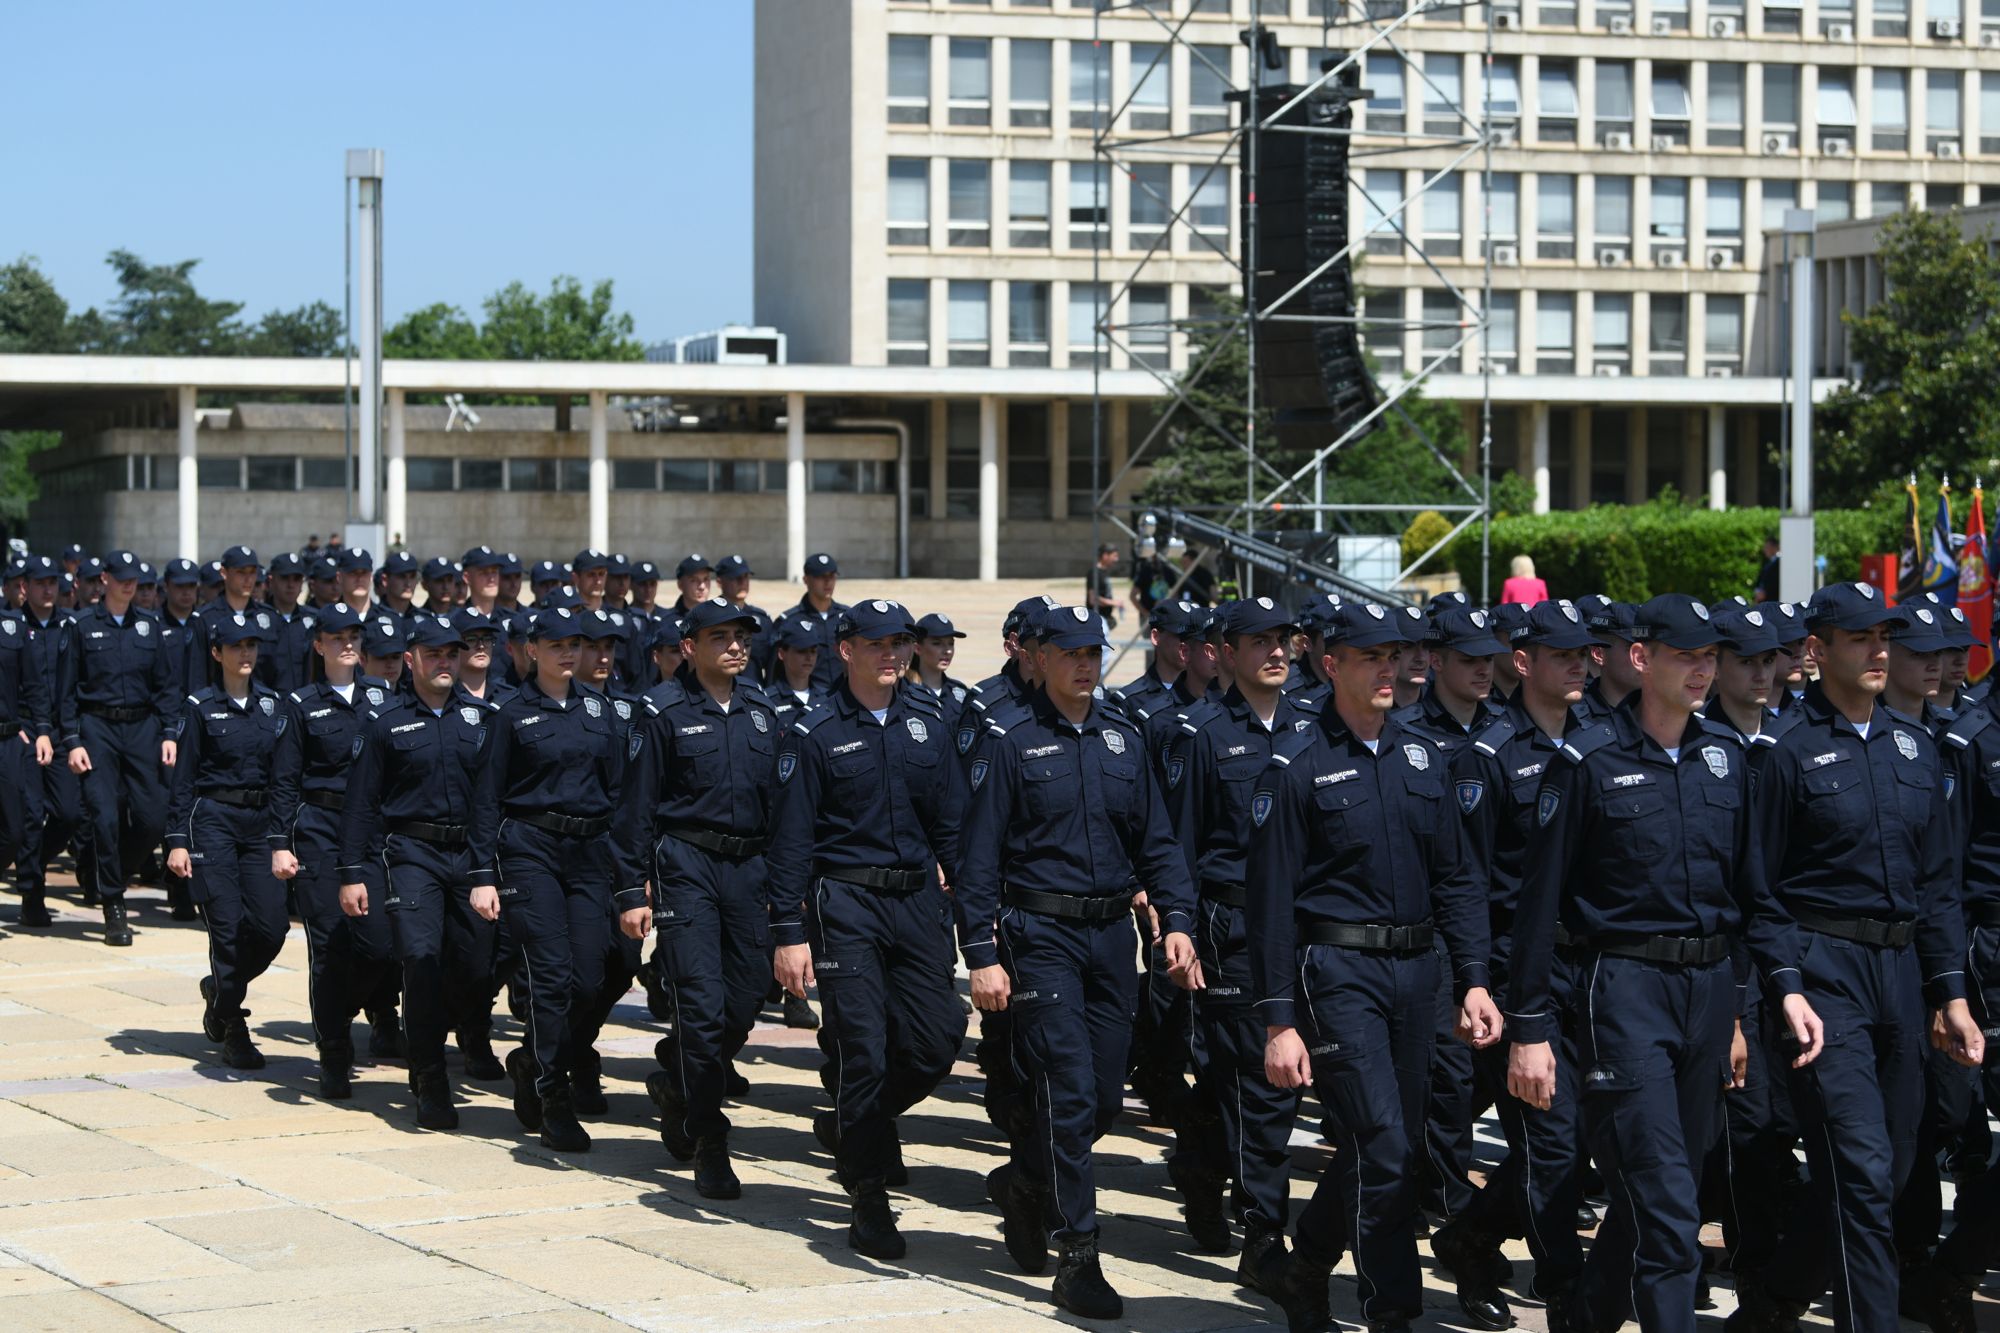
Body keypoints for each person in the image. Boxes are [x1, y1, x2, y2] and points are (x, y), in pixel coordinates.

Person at [1506, 595, 1817, 1333]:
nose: (1703, 669)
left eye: (1711, 656)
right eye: (1686, 655)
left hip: (1707, 992)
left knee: (1656, 1192)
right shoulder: (1585, 762)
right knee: (1671, 1205)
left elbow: (1754, 896)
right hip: (1624, 991)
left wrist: (1781, 989)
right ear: (1641, 658)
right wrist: (1529, 1029)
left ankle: (1585, 1321)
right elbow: (1537, 907)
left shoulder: (1727, 761)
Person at [1731, 583, 1983, 1333]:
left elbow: (1937, 885)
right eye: (1861, 638)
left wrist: (1950, 994)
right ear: (1817, 650)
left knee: (1892, 1168)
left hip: (1899, 976)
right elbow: (1759, 888)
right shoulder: (1785, 751)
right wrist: (1784, 986)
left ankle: (1776, 1298)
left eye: (1885, 637)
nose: (1879, 650)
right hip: (1823, 974)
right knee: (1862, 1168)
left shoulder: (1916, 747)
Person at [1247, 600, 1498, 1333]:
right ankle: (1392, 1309)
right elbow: (1271, 906)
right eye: (1371, 657)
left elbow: (1457, 878)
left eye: (1394, 655)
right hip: (1338, 972)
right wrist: (1278, 1023)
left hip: (1418, 973)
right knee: (1384, 1143)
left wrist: (1474, 978)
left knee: (1389, 1144)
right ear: (1331, 665)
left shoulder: (1425, 758)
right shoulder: (1296, 766)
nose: (1390, 669)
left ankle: (1304, 1267)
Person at [958, 605, 1199, 1319]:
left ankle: (1027, 1183)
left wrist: (1177, 919)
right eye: (1071, 653)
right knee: (1067, 1087)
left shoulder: (1125, 738)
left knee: (1101, 1100)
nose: (1085, 664)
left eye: (1093, 652)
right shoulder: (1011, 741)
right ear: (1039, 658)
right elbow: (978, 858)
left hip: (1110, 938)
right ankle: (1079, 1253)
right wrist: (981, 954)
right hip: (1040, 936)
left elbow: (1158, 841)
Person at [767, 599, 965, 1259]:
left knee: (937, 1039)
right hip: (847, 903)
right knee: (863, 1050)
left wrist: (978, 919)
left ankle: (856, 1122)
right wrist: (788, 932)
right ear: (846, 649)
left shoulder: (930, 725)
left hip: (917, 904)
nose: (892, 654)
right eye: (878, 643)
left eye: (901, 642)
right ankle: (869, 1192)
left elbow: (952, 828)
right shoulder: (815, 731)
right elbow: (791, 841)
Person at [1160, 596, 1314, 1289]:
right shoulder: (1201, 734)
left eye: (1283, 640)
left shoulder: (1314, 726)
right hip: (1236, 928)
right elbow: (1180, 844)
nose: (1276, 652)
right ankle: (1263, 1234)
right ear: (1225, 652)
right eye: (1260, 641)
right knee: (1259, 1085)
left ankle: (1200, 1163)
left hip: (1309, 930)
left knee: (1257, 1089)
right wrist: (1180, 926)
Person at [621, 598, 779, 1199]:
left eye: (741, 636)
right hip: (687, 866)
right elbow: (636, 808)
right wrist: (631, 889)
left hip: (750, 870)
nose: (736, 646)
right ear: (689, 647)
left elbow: (781, 808)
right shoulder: (660, 712)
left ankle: (680, 1084)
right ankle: (710, 1138)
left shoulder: (763, 712)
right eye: (720, 637)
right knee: (702, 1006)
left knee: (746, 998)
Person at [477, 605, 630, 1154]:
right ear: (531, 650)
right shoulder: (510, 714)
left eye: (576, 644)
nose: (569, 653)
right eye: (556, 644)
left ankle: (531, 1059)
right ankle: (553, 1095)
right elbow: (486, 799)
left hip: (588, 853)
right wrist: (482, 874)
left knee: (590, 979)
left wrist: (630, 875)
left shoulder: (602, 711)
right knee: (552, 976)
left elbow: (619, 793)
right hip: (530, 850)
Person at [267, 603, 400, 1101]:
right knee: (329, 947)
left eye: (353, 636)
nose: (347, 643)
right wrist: (280, 844)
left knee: (380, 944)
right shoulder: (301, 705)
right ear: (319, 644)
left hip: (372, 835)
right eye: (336, 636)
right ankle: (334, 1050)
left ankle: (338, 1014)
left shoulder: (381, 696)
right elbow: (285, 780)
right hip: (320, 832)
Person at [165, 613, 287, 1069]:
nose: (245, 653)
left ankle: (219, 990)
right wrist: (177, 840)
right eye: (236, 646)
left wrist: (283, 836)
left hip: (260, 824)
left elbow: (284, 777)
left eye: (251, 645)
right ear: (217, 653)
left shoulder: (273, 705)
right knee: (228, 927)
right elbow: (183, 780)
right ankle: (234, 1025)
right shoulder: (199, 707)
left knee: (272, 928)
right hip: (214, 821)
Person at [59, 550, 178, 947]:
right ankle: (113, 903)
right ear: (104, 579)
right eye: (122, 577)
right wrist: (72, 741)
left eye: (136, 579)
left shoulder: (149, 626)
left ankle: (108, 872)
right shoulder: (81, 626)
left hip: (142, 728)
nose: (130, 585)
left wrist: (169, 732)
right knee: (105, 818)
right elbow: (65, 693)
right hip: (98, 728)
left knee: (153, 818)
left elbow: (166, 686)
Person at [0, 589, 51, 924]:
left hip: (7, 739)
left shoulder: (13, 628)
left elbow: (33, 685)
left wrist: (40, 729)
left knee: (15, 830)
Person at [906, 612, 972, 733]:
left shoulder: (961, 693)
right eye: (937, 643)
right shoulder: (903, 690)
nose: (947, 651)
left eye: (951, 643)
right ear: (917, 648)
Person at [1086, 543, 1121, 629]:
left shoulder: (1104, 572)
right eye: (1114, 556)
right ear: (1105, 556)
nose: (1116, 559)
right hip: (1097, 619)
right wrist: (1113, 602)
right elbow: (1093, 599)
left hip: (1105, 618)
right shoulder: (1094, 573)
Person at [1753, 536, 1782, 604]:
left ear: (1775, 547)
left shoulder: (1780, 563)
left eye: (1767, 547)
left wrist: (1765, 593)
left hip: (1772, 601)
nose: (1764, 550)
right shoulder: (1767, 562)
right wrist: (1757, 591)